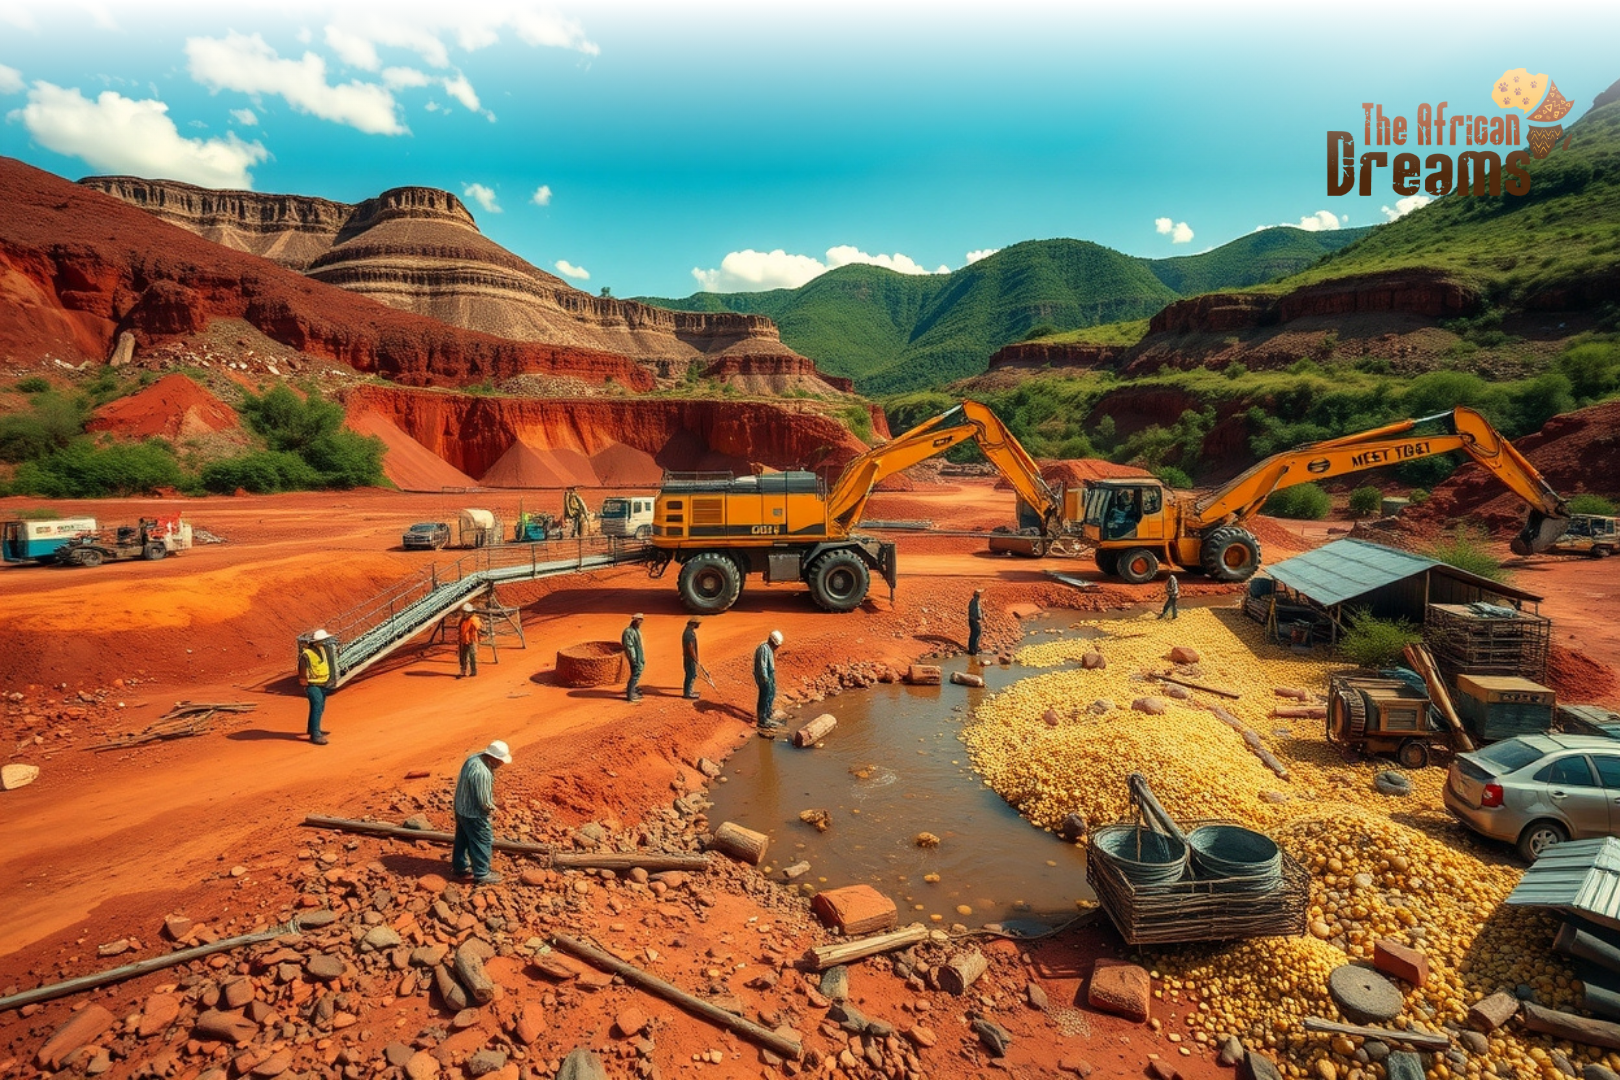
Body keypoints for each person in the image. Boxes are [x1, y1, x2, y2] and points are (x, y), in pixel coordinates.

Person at [452, 739, 512, 885]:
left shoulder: (473, 758)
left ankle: (459, 867)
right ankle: (482, 874)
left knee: (463, 838)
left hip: (461, 807)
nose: (502, 764)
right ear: (494, 758)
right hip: (473, 814)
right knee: (482, 840)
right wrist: (496, 808)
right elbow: (484, 802)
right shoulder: (482, 773)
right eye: (501, 760)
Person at [298, 630, 332, 746]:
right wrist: (304, 682)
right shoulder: (307, 653)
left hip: (322, 683)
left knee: (319, 707)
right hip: (313, 684)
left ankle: (312, 729)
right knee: (317, 707)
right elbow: (302, 666)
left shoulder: (322, 649)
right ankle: (315, 735)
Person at [754, 630, 783, 730]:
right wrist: (765, 679)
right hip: (764, 677)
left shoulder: (769, 649)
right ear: (773, 642)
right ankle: (762, 719)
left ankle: (768, 713)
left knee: (771, 693)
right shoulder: (764, 649)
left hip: (769, 675)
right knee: (764, 696)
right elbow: (763, 666)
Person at [623, 613, 646, 702]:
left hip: (639, 655)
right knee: (636, 674)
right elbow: (629, 646)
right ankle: (630, 695)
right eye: (639, 621)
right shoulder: (628, 631)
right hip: (635, 656)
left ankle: (633, 691)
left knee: (636, 673)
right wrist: (633, 658)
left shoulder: (636, 630)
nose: (640, 622)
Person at [457, 603, 483, 678]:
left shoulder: (473, 619)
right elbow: (460, 630)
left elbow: (478, 627)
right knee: (463, 656)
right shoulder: (463, 620)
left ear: (470, 613)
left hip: (471, 640)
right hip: (464, 640)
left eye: (466, 612)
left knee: (472, 656)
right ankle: (463, 671)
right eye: (463, 612)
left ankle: (473, 671)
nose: (464, 614)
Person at [682, 617, 702, 700]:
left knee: (690, 674)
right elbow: (690, 646)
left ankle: (689, 691)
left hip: (688, 657)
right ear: (693, 624)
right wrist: (695, 658)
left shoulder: (688, 632)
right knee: (691, 674)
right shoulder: (689, 633)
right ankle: (688, 693)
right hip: (690, 658)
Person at [967, 588, 984, 656]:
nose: (980, 596)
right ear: (977, 596)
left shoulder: (971, 601)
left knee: (972, 634)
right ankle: (975, 650)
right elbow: (977, 612)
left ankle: (971, 649)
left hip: (971, 620)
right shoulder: (976, 602)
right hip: (975, 621)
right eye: (979, 595)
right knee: (977, 634)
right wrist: (980, 618)